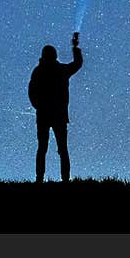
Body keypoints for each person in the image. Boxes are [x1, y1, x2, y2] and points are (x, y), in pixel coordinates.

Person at [28, 32, 83, 183]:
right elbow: (77, 64)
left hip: (44, 115)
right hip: (57, 115)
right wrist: (75, 48)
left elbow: (31, 91)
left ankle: (40, 179)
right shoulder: (60, 70)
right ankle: (64, 180)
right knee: (61, 150)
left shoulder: (39, 71)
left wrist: (38, 106)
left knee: (44, 149)